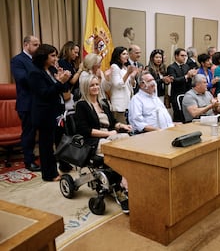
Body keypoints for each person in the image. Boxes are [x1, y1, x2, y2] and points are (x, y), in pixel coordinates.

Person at [75, 75, 131, 214]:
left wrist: (121, 125)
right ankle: (122, 186)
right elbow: (85, 130)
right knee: (115, 147)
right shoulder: (82, 105)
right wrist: (108, 134)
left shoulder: (103, 102)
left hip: (109, 135)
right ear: (85, 88)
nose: (95, 87)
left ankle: (125, 179)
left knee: (127, 138)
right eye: (91, 85)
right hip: (93, 141)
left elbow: (112, 123)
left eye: (96, 84)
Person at [28, 44, 71, 181]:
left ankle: (64, 165)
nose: (55, 58)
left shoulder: (52, 69)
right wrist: (59, 82)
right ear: (43, 56)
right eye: (52, 55)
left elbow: (62, 89)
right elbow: (45, 94)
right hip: (44, 114)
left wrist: (64, 79)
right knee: (46, 145)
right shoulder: (35, 73)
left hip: (57, 112)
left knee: (60, 140)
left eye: (56, 55)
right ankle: (49, 174)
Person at [10, 35, 41, 172]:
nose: (38, 47)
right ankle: (29, 161)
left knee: (38, 133)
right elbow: (21, 78)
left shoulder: (37, 60)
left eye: (38, 44)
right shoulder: (17, 60)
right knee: (28, 133)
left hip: (39, 102)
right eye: (35, 44)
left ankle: (37, 156)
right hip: (26, 103)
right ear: (26, 45)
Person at [109, 46, 138, 123]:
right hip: (119, 104)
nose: (127, 56)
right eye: (124, 54)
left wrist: (132, 76)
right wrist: (128, 73)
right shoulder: (114, 67)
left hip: (127, 101)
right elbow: (118, 85)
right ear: (118, 56)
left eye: (127, 54)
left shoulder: (125, 67)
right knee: (122, 127)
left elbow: (132, 85)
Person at [167, 48, 197, 122]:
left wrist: (192, 76)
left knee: (187, 114)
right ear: (176, 56)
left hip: (187, 93)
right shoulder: (171, 67)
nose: (184, 57)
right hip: (177, 94)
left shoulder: (186, 66)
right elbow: (174, 80)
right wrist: (186, 76)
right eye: (182, 55)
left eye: (185, 56)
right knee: (178, 114)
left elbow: (189, 80)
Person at [58, 41, 81, 110]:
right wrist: (80, 70)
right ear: (69, 51)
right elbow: (72, 81)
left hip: (74, 95)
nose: (77, 55)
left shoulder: (72, 63)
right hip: (68, 95)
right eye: (75, 52)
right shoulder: (62, 62)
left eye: (78, 53)